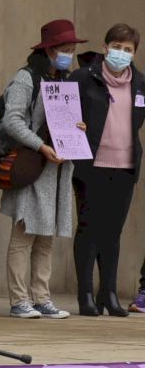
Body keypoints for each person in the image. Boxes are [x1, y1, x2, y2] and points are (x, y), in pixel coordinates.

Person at [0, 19, 80, 318]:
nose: (68, 55)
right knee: (24, 235)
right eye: (64, 49)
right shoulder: (26, 78)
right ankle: (19, 300)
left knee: (46, 238)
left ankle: (42, 297)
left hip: (57, 169)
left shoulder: (65, 81)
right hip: (31, 165)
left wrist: (77, 127)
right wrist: (41, 146)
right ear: (49, 50)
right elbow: (12, 121)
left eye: (72, 49)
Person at [70, 24, 145, 316]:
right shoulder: (83, 78)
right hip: (92, 164)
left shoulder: (140, 83)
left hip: (125, 166)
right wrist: (73, 125)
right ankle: (86, 294)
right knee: (88, 229)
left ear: (134, 53)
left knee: (113, 233)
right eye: (116, 47)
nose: (121, 53)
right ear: (105, 47)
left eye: (128, 49)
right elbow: (62, 113)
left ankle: (108, 293)